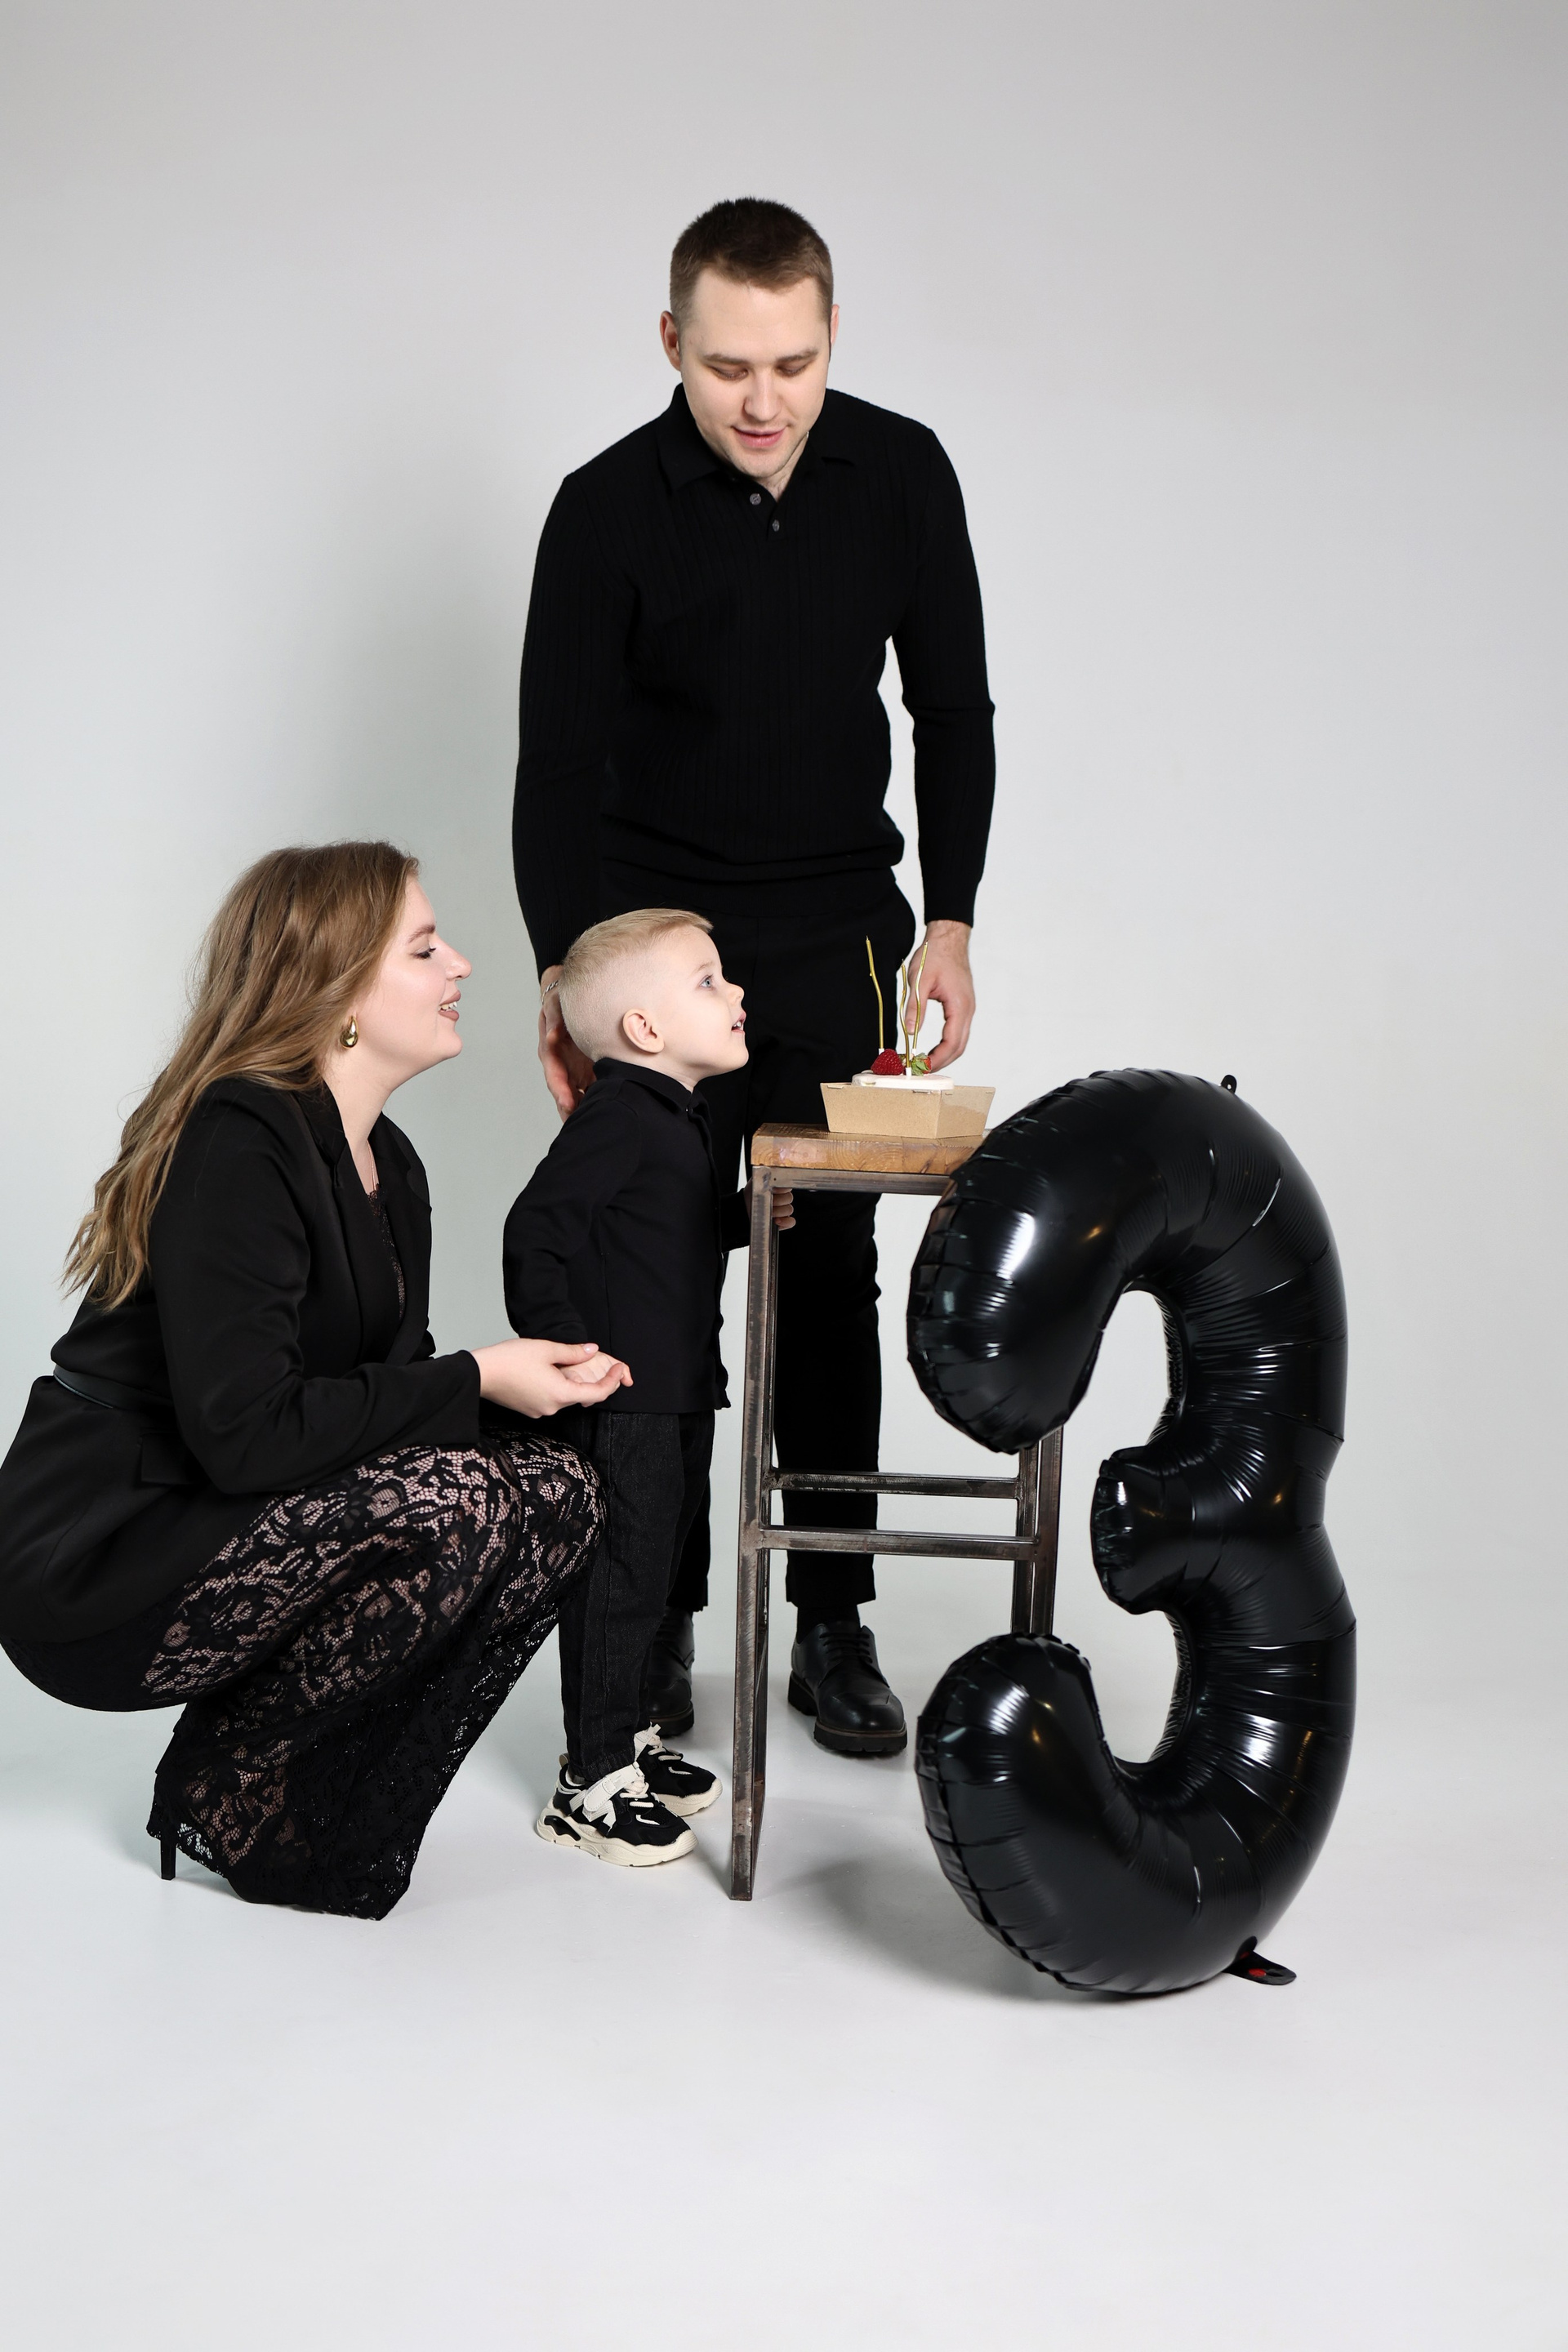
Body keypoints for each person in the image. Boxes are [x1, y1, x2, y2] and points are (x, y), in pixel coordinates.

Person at [513, 197, 995, 1756]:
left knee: (831, 1279)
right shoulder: (604, 509)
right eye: (728, 366)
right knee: (656, 1284)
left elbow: (954, 711)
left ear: (832, 337)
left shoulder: (903, 474)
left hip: (839, 934)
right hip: (659, 952)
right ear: (673, 343)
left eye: (793, 363)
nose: (764, 400)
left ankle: (833, 1621)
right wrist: (565, 979)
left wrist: (952, 920)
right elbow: (554, 766)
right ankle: (655, 1624)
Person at [0, 841, 628, 1919]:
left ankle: (319, 1801)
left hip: (224, 1514)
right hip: (104, 1555)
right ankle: (232, 1784)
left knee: (556, 1491)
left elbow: (379, 1402)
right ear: (336, 990)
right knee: (458, 1498)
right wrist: (478, 1374)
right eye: (424, 949)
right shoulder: (240, 1135)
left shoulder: (394, 1165)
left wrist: (526, 1381)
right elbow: (249, 1433)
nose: (461, 964)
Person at [504, 910, 798, 1864]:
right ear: (644, 1028)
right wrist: (567, 1353)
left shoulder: (676, 1117)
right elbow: (535, 1231)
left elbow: (663, 1234)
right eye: (708, 980)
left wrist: (741, 1218)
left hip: (678, 1390)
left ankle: (627, 1738)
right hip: (624, 1400)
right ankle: (588, 1782)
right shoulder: (619, 1115)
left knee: (661, 1571)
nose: (736, 991)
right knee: (619, 1582)